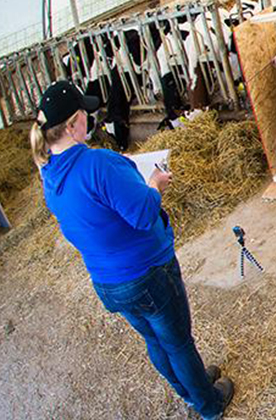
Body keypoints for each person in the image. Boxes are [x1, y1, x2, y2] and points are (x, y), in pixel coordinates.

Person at [31, 80, 234, 419]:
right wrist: (155, 184)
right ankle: (208, 404)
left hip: (109, 283)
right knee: (178, 341)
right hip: (146, 271)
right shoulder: (97, 164)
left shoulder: (50, 172)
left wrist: (117, 169)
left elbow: (93, 208)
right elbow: (142, 213)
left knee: (155, 340)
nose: (89, 117)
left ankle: (190, 388)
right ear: (72, 124)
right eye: (85, 113)